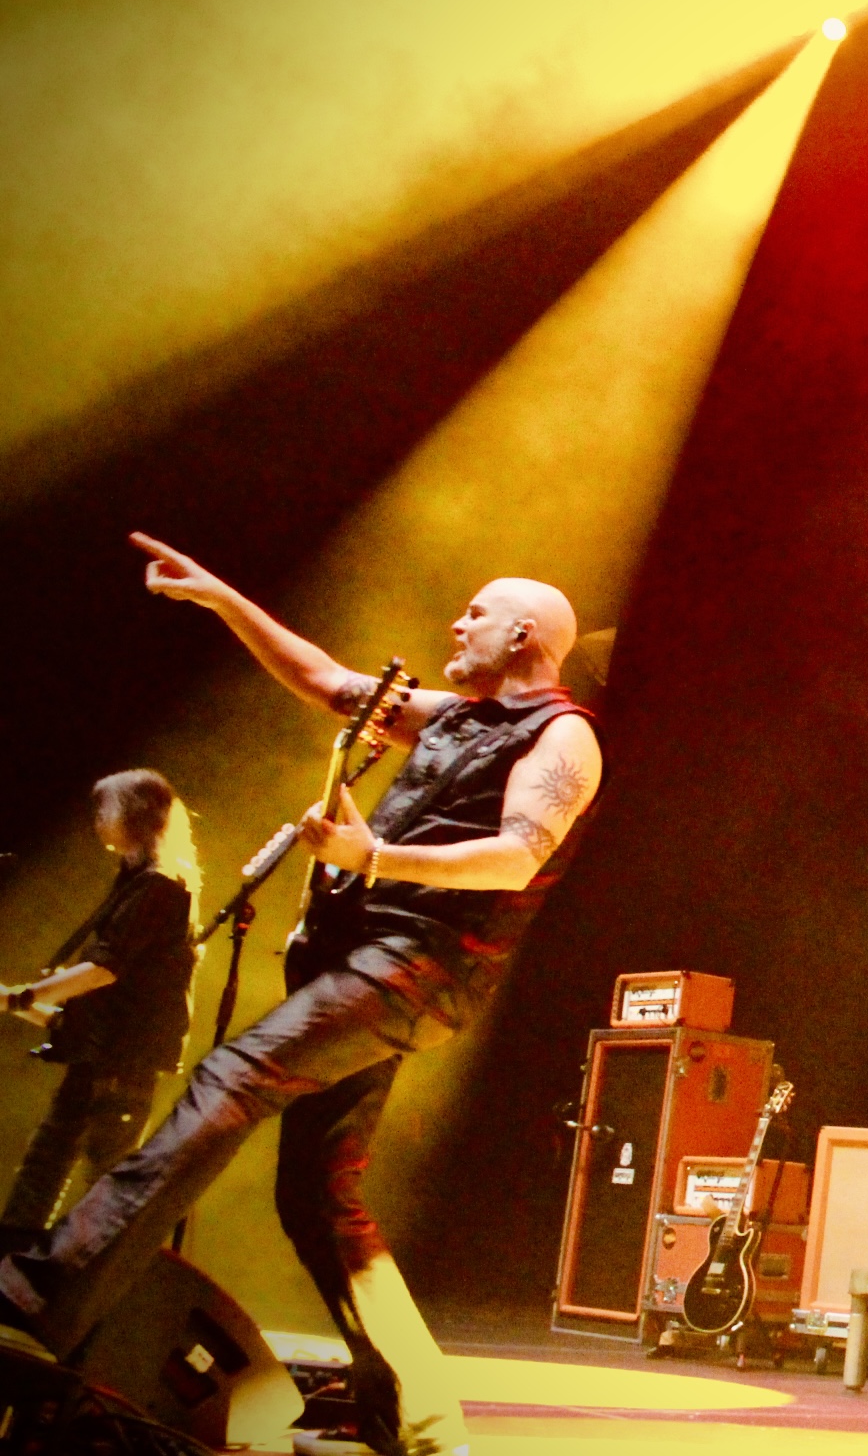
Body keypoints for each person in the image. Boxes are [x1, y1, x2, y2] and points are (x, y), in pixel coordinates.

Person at [0, 533, 603, 1456]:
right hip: (364, 960)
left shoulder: (562, 734)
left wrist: (375, 856)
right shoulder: (452, 716)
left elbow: (518, 854)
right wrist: (220, 596)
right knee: (316, 1196)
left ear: (524, 634)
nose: (457, 622)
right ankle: (425, 1421)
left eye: (476, 612)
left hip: (419, 967)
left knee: (234, 1076)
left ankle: (41, 1287)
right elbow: (325, 680)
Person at [2, 771, 201, 1231]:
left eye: (104, 808)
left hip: (120, 1065)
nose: (96, 819)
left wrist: (21, 998)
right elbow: (104, 999)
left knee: (95, 1183)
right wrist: (20, 1004)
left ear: (135, 815)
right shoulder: (137, 882)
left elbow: (104, 970)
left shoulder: (160, 886)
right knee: (47, 1173)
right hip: (101, 1058)